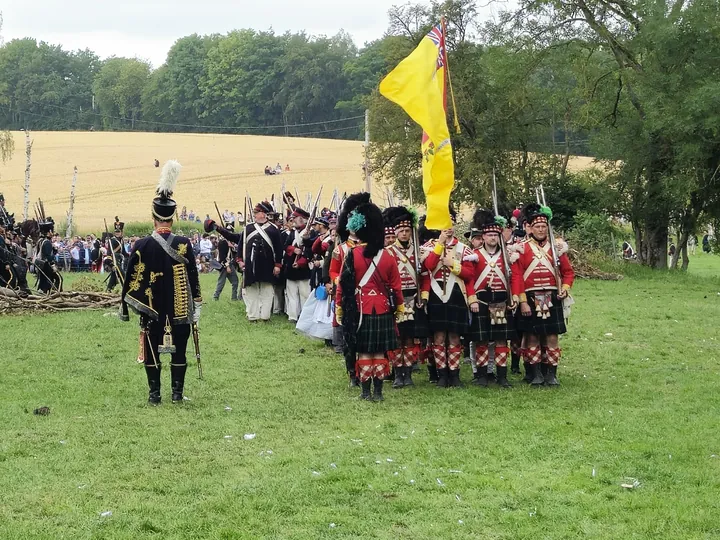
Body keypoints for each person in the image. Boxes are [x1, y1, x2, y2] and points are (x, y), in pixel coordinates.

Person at [120, 160, 202, 405]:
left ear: (153, 218)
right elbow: (194, 277)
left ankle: (154, 395)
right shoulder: (184, 244)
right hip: (179, 309)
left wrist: (132, 305)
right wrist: (196, 303)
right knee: (180, 349)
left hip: (152, 308)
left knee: (152, 350)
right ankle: (176, 394)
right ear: (172, 218)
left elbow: (130, 278)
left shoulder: (141, 245)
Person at [336, 201, 403, 401]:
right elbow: (396, 286)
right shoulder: (389, 256)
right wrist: (399, 307)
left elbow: (343, 285)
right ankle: (379, 393)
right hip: (383, 309)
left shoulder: (352, 254)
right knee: (380, 353)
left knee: (364, 352)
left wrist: (340, 308)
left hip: (360, 309)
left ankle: (366, 393)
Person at [509, 202, 575, 386]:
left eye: (543, 226)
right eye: (537, 226)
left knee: (552, 336)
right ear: (530, 228)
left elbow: (568, 273)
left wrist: (565, 288)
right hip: (530, 297)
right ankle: (535, 373)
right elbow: (517, 277)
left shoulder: (557, 248)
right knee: (532, 336)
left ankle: (551, 374)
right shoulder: (520, 248)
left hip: (552, 296)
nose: (540, 229)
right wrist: (522, 301)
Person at [420, 207, 477, 388]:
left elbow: (469, 274)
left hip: (456, 294)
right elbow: (428, 265)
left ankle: (454, 374)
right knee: (438, 337)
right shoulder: (429, 246)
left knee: (454, 336)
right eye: (445, 223)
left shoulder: (464, 249)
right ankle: (441, 374)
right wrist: (440, 244)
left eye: (451, 222)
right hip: (436, 295)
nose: (449, 227)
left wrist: (452, 264)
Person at [206, 201, 283, 321]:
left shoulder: (274, 230)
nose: (254, 214)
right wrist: (240, 261)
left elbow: (279, 249)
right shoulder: (248, 228)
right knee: (251, 292)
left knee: (267, 292)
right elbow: (241, 245)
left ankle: (265, 316)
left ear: (262, 214)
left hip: (268, 265)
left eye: (256, 212)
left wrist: (277, 265)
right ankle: (253, 316)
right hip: (250, 265)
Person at [467, 209, 516, 388]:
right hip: (481, 301)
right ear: (484, 236)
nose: (492, 238)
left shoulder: (507, 255)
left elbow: (514, 277)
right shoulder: (474, 255)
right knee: (481, 339)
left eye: (495, 234)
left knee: (501, 340)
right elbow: (469, 279)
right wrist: (472, 298)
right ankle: (481, 376)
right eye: (489, 235)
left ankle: (502, 376)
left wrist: (515, 297)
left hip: (501, 300)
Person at [384, 206, 428, 388]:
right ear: (395, 232)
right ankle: (397, 373)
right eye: (400, 230)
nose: (404, 233)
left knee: (410, 338)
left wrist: (423, 296)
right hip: (396, 299)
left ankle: (408, 373)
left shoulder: (419, 251)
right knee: (397, 338)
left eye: (407, 230)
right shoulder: (388, 252)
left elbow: (424, 276)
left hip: (413, 298)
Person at [330, 192, 370, 386]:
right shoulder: (340, 249)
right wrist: (339, 282)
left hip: (365, 295)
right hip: (347, 294)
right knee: (349, 338)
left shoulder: (369, 248)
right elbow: (332, 271)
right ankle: (351, 371)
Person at [283, 207, 316, 322]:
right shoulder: (293, 232)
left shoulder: (310, 233)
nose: (293, 220)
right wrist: (293, 250)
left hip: (303, 269)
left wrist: (301, 262)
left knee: (304, 294)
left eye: (295, 218)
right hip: (291, 269)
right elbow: (286, 245)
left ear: (301, 219)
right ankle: (292, 316)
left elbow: (310, 250)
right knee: (291, 294)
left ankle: (304, 317)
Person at [213, 223, 239, 301]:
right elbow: (222, 256)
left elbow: (233, 253)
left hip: (229, 264)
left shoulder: (229, 242)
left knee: (235, 281)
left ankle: (234, 298)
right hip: (224, 265)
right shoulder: (222, 242)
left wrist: (232, 247)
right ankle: (215, 297)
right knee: (221, 282)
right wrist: (227, 266)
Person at [35, 217, 62, 293]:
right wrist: (53, 265)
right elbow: (48, 255)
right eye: (51, 231)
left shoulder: (42, 240)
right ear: (49, 232)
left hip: (42, 264)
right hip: (46, 265)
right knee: (56, 279)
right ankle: (51, 293)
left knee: (44, 280)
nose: (52, 233)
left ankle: (43, 291)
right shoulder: (47, 242)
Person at [105, 221, 126, 292]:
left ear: (121, 232)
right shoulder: (112, 241)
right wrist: (111, 264)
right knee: (122, 275)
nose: (117, 233)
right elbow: (109, 253)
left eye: (119, 232)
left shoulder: (121, 240)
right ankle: (125, 290)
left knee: (114, 276)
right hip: (114, 260)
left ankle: (109, 289)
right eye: (116, 232)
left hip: (120, 260)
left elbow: (124, 253)